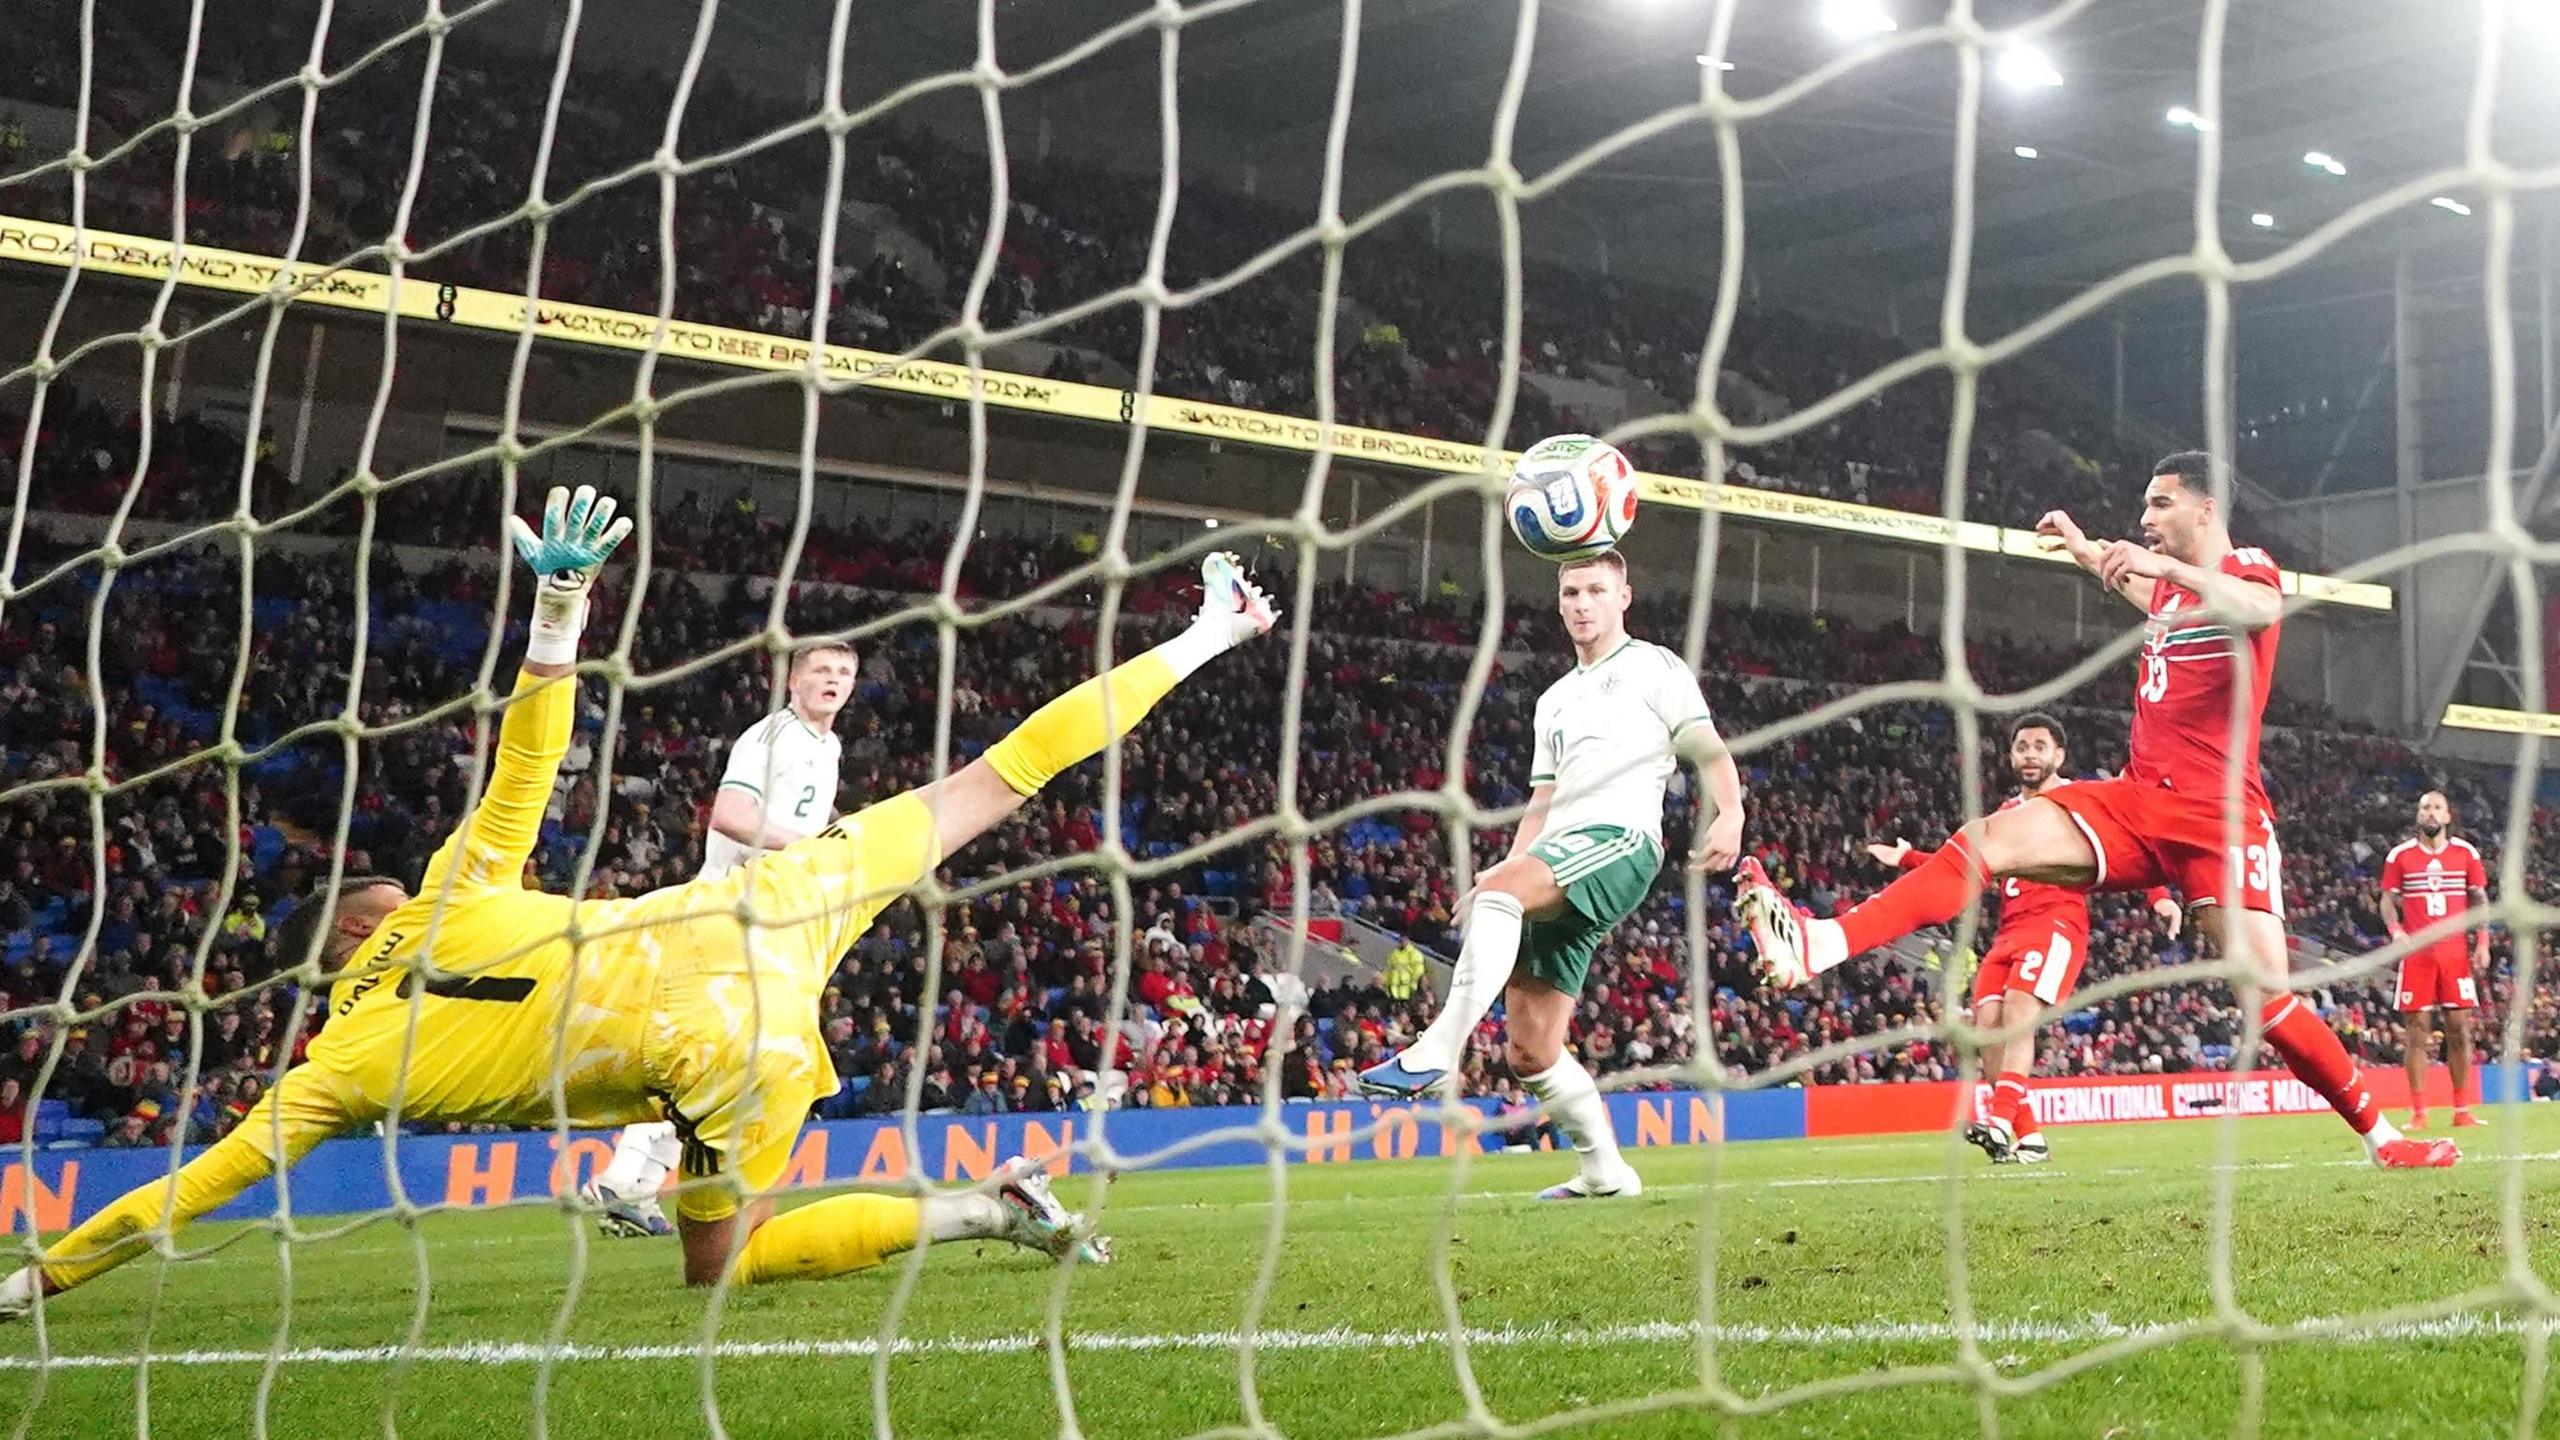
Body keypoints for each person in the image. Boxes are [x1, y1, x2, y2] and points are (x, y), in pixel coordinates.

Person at [3, 487, 1277, 1318]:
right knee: (990, 781)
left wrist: (39, 1279)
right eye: (359, 886)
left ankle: (976, 1214)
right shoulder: (439, 893)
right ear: (346, 926)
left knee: (719, 1262)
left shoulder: (330, 1073)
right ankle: (1208, 636)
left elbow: (191, 1191)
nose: (374, 874)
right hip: (748, 920)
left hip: (721, 1057)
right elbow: (524, 767)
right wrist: (561, 604)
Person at [1737, 453, 2457, 1169]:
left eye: (2160, 504)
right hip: (2141, 801)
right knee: (1984, 839)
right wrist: (2087, 554)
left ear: (2205, 509)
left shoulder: (2247, 566)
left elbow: (2262, 610)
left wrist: (2170, 571)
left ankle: (2384, 1141)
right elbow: (2151, 598)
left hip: (2221, 819)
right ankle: (1821, 943)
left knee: (2267, 1002)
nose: (2145, 519)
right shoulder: (2171, 600)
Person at [1359, 549, 1745, 1199]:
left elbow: (1707, 747)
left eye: (1596, 590)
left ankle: (1437, 1047)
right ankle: (1605, 1173)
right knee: (1530, 1051)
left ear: (1624, 597)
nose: (1582, 604)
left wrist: (1730, 810)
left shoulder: (1655, 667)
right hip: (1559, 857)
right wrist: (1506, 872)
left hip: (1620, 842)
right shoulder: (1554, 700)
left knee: (1504, 896)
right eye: (1571, 593)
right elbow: (1541, 802)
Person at [581, 640, 858, 1239]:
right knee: (748, 1054)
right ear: (793, 681)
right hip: (735, 913)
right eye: (821, 671)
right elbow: (729, 815)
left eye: (843, 672)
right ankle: (672, 1182)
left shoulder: (827, 745)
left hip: (780, 917)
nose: (833, 680)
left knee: (728, 1056)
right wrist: (812, 852)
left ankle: (630, 1179)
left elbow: (811, 816)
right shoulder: (768, 738)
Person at [1861, 713, 2182, 1163]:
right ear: (2011, 756)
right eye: (2022, 747)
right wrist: (1907, 857)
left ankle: (1998, 1120)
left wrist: (2160, 897)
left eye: (2039, 746)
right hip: (2009, 931)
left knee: (2017, 1015)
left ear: (2059, 755)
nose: (2030, 754)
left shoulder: (2079, 799)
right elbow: (1962, 866)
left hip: (2057, 923)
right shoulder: (2006, 817)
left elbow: (2126, 846)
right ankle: (2028, 1137)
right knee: (1985, 1031)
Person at [2379, 789, 2491, 1130]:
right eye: (2424, 807)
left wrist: (2483, 942)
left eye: (2436, 807)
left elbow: (2480, 899)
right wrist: (2396, 930)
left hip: (2454, 953)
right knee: (2417, 1033)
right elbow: (2386, 899)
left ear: (2447, 816)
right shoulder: (2400, 856)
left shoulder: (2465, 854)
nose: (2430, 812)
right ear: (2418, 815)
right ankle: (2419, 1113)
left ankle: (2462, 1110)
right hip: (2417, 955)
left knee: (2459, 1030)